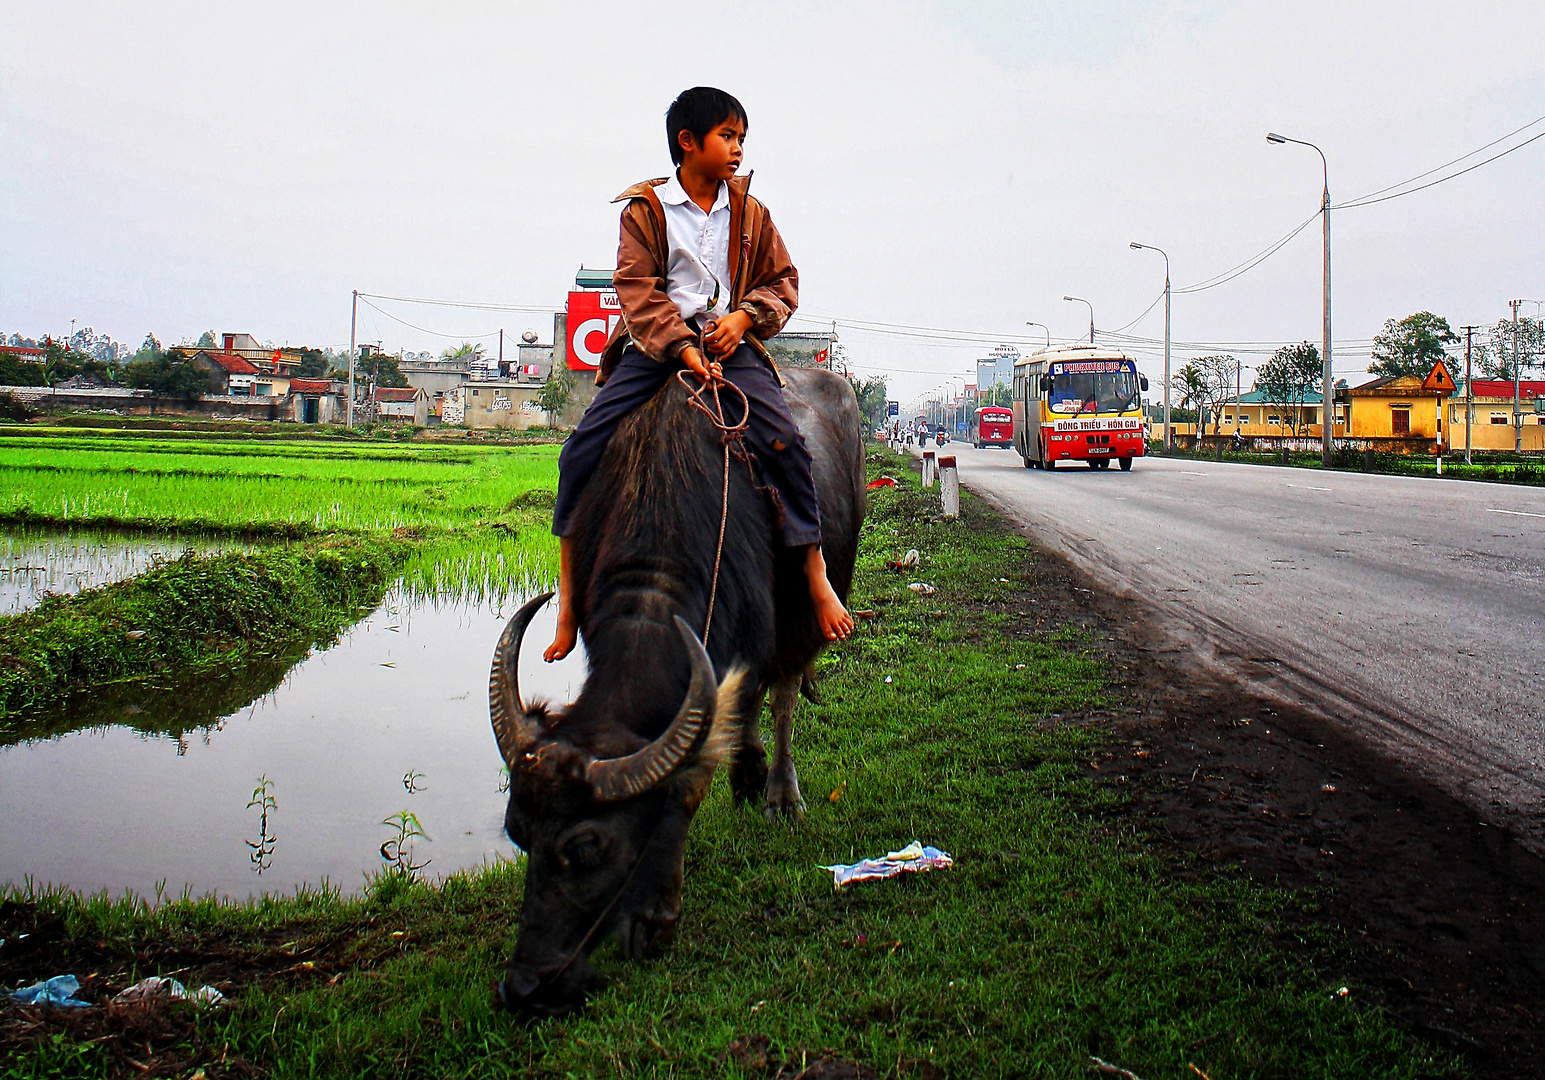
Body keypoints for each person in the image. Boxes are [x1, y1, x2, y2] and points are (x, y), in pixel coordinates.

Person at [544, 86, 854, 662]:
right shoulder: (647, 211)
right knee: (580, 452)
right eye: (727, 137)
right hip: (655, 347)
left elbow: (782, 280)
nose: (737, 150)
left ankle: (814, 573)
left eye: (741, 139)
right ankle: (569, 603)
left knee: (784, 442)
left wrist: (743, 317)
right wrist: (682, 349)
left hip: (730, 345)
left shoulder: (750, 213)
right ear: (688, 143)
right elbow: (637, 290)